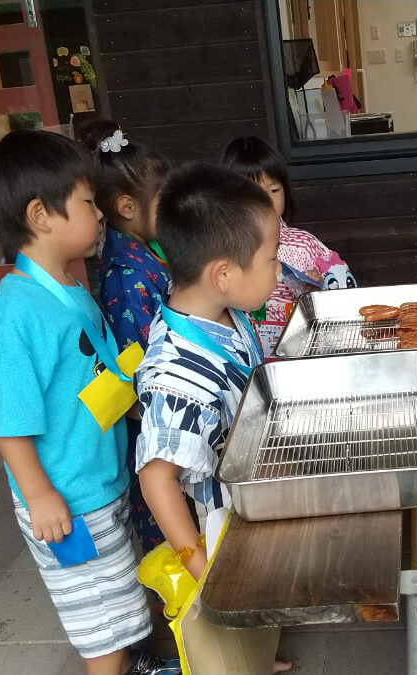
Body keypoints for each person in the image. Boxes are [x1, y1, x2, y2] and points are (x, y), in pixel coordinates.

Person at [0, 130, 179, 675]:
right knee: (102, 628)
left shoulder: (70, 287)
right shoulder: (16, 312)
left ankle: (139, 662)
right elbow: (7, 421)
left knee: (116, 598)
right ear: (42, 215)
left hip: (96, 481)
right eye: (89, 204)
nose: (101, 215)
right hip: (65, 502)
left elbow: (95, 374)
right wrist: (39, 494)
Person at [134, 162, 292, 673]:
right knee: (228, 612)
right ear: (223, 274)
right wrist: (197, 564)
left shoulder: (223, 311)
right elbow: (157, 477)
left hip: (251, 487)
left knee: (255, 601)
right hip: (220, 522)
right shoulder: (178, 376)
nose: (279, 271)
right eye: (271, 260)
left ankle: (259, 657)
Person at [77, 118, 173, 553]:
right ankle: (175, 609)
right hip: (155, 418)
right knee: (166, 521)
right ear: (128, 207)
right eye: (163, 201)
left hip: (161, 412)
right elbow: (144, 361)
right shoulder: (127, 275)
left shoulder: (143, 252)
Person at [222, 136, 355, 325]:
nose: (266, 201)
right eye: (253, 194)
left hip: (302, 344)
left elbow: (343, 284)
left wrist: (321, 288)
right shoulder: (223, 250)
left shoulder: (304, 244)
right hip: (249, 350)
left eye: (274, 190)